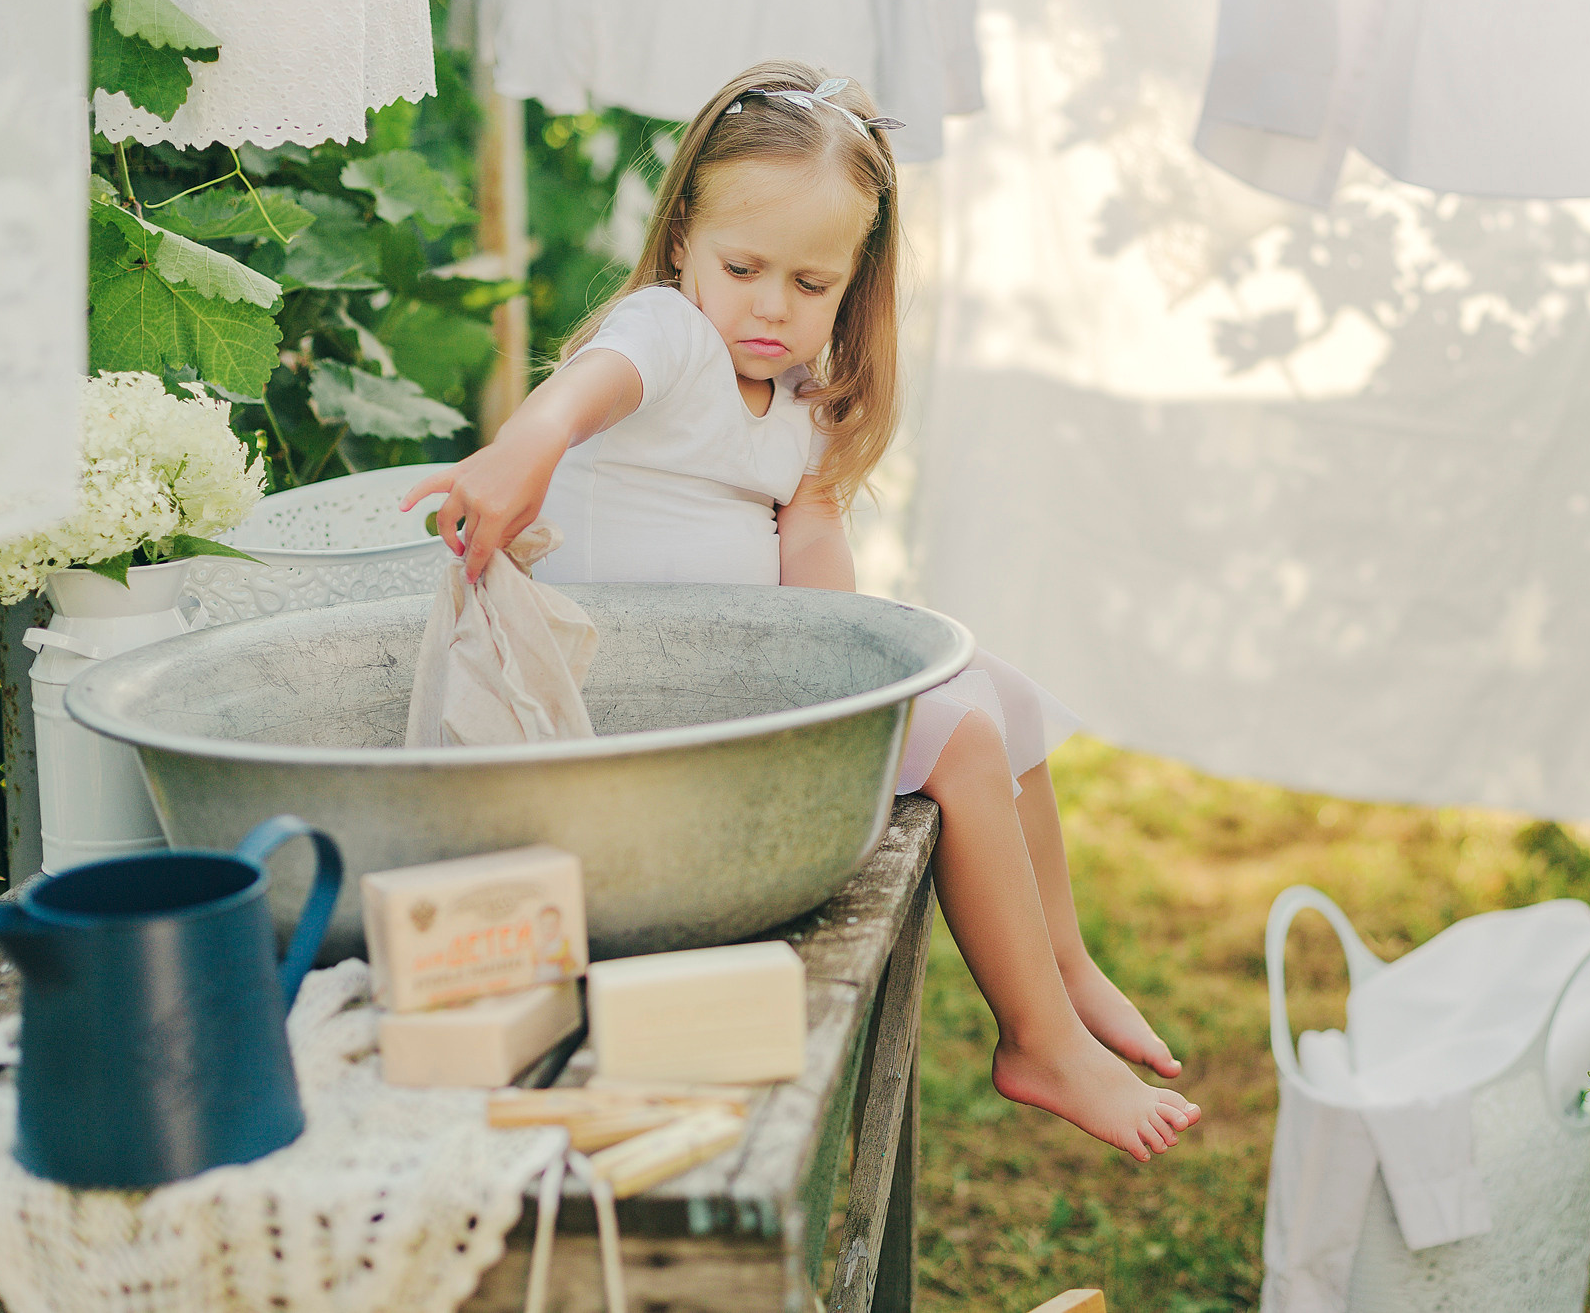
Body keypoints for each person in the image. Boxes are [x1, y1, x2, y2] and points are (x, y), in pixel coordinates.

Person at [404, 60, 1199, 1161]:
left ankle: (1060, 962)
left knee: (993, 691)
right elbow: (588, 389)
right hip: (625, 700)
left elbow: (815, 557)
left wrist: (864, 685)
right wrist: (523, 446)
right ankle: (1038, 1040)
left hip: (726, 682)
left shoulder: (790, 398)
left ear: (852, 278)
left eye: (812, 284)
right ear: (680, 234)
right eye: (743, 267)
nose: (772, 308)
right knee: (962, 739)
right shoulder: (668, 336)